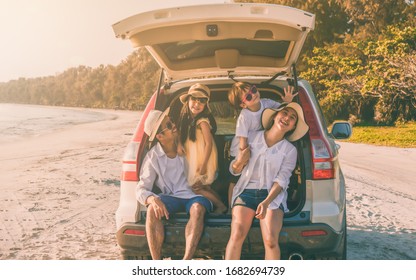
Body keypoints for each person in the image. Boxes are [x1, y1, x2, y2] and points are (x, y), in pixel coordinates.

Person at [225, 102, 309, 260]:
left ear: (292, 127)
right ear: (275, 116)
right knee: (236, 234)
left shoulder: (290, 150)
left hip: (272, 197)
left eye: (292, 118)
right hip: (246, 193)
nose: (287, 118)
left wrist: (266, 201)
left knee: (270, 240)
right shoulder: (250, 137)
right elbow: (233, 170)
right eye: (284, 113)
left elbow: (282, 180)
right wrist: (239, 161)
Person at [136, 108, 213, 260]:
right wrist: (152, 199)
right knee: (152, 209)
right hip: (171, 197)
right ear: (160, 136)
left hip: (195, 195)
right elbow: (141, 188)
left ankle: (185, 262)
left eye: (171, 121)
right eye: (169, 125)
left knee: (197, 209)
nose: (174, 125)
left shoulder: (188, 144)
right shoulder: (153, 157)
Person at [226, 82, 297, 206]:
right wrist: (243, 157)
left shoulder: (266, 103)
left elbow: (283, 111)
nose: (253, 95)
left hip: (259, 143)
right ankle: (230, 208)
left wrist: (288, 101)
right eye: (248, 97)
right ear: (243, 104)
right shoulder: (245, 116)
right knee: (235, 179)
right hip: (242, 146)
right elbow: (242, 137)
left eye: (253, 90)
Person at [177, 83, 227, 214]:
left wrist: (204, 165)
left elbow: (209, 144)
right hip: (193, 157)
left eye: (202, 101)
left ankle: (221, 205)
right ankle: (223, 204)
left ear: (206, 105)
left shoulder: (203, 121)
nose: (197, 104)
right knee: (204, 186)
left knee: (196, 188)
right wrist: (178, 144)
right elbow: (179, 134)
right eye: (194, 99)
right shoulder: (186, 120)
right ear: (187, 100)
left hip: (203, 159)